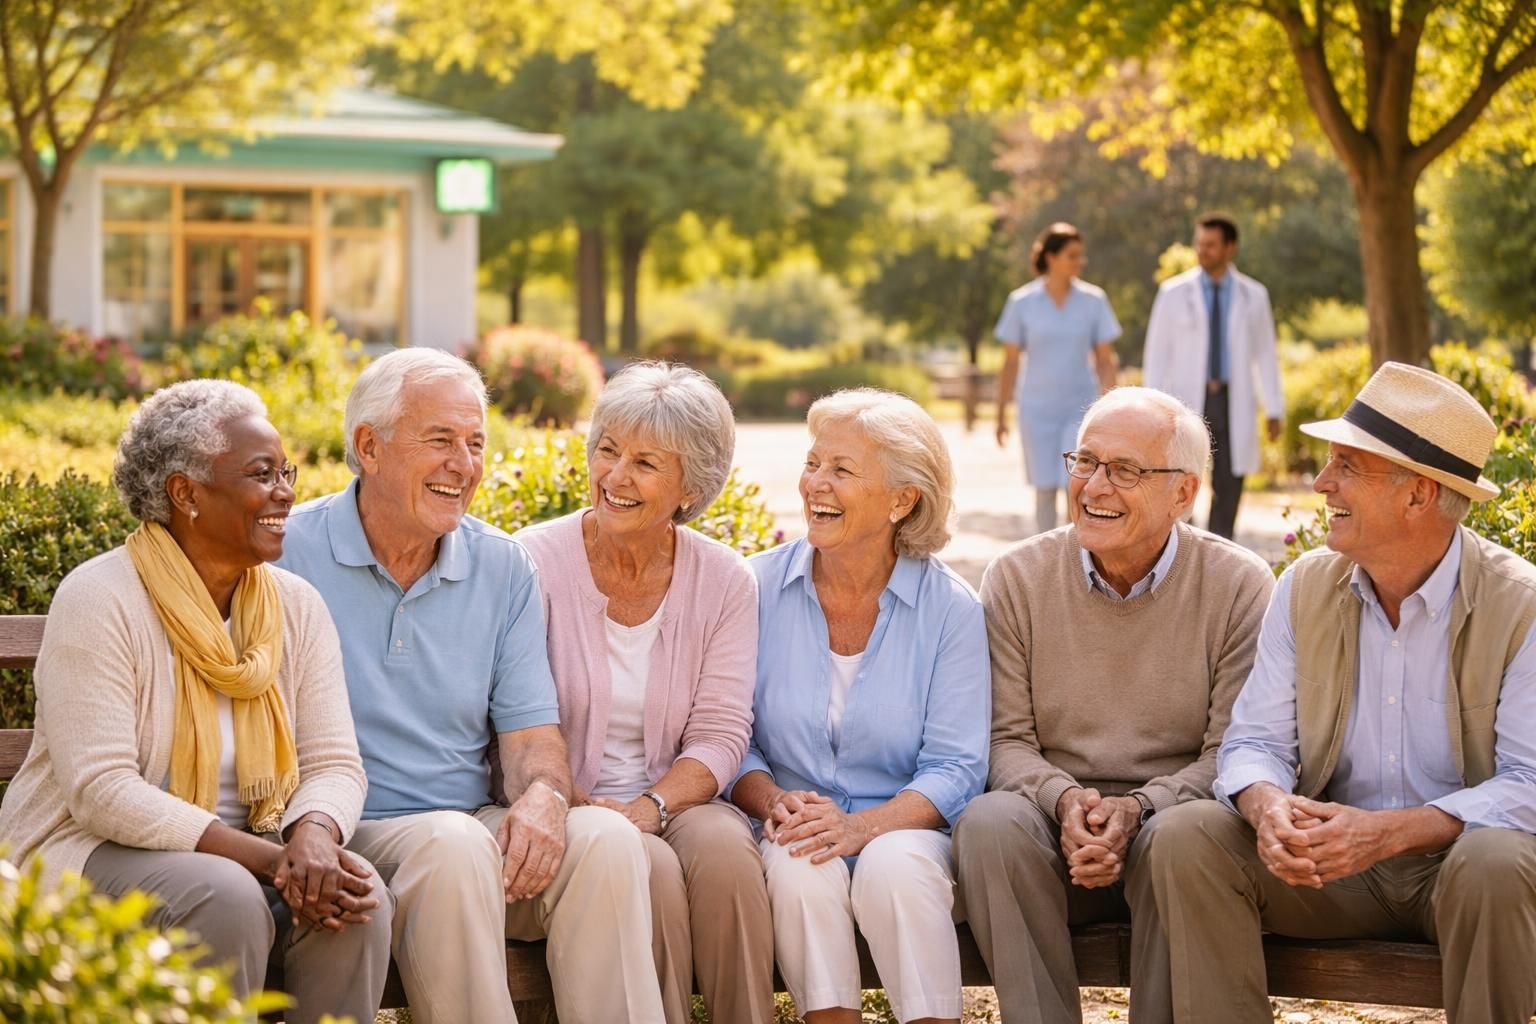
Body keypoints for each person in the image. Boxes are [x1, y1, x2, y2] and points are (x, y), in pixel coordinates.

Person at [276, 348, 664, 1024]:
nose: (465, 464)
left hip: (464, 836)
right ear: (369, 447)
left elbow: (530, 736)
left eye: (476, 443)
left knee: (605, 841)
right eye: (441, 440)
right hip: (343, 833)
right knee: (453, 847)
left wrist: (544, 796)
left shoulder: (499, 565)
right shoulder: (289, 552)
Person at [1140, 362, 1536, 1023]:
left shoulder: (1521, 605)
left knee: (1495, 863)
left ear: (1417, 495)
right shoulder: (1306, 587)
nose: (1321, 484)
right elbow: (1256, 741)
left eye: (1346, 467)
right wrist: (1267, 806)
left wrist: (1388, 834)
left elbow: (1530, 783)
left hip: (1462, 871)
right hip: (1334, 868)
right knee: (1189, 837)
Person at [0, 380, 391, 1023]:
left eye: (285, 471)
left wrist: (314, 840)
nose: (286, 492)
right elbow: (100, 789)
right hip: (87, 852)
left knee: (355, 895)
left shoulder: (295, 606)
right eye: (261, 474)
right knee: (226, 895)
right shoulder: (101, 599)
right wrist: (273, 862)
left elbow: (333, 765)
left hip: (251, 851)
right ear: (186, 494)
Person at [954, 386, 1274, 1024]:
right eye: (1085, 462)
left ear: (1183, 493)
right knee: (988, 824)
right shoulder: (1017, 577)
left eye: (1125, 470)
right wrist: (1067, 801)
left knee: (1178, 842)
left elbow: (1233, 752)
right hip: (1051, 826)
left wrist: (1139, 809)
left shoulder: (1239, 586)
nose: (1095, 486)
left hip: (1177, 827)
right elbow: (1004, 739)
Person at [515, 362, 772, 1024]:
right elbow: (514, 717)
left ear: (691, 487)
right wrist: (592, 805)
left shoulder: (724, 580)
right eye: (607, 451)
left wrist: (653, 804)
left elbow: (720, 733)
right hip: (565, 802)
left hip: (680, 795)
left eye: (645, 463)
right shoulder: (531, 562)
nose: (615, 476)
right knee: (646, 868)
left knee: (727, 856)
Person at [731, 388, 990, 1024]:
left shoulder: (951, 609)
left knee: (894, 868)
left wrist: (862, 828)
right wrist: (774, 801)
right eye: (813, 463)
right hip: (790, 820)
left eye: (842, 471)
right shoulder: (753, 587)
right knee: (799, 862)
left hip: (904, 828)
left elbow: (956, 766)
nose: (815, 484)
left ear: (903, 500)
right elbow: (731, 732)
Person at [1142, 212, 1282, 540]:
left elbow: (1266, 354)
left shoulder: (1254, 295)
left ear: (1230, 247)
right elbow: (1157, 353)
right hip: (1186, 400)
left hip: (1233, 399)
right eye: (1199, 244)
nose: (1202, 251)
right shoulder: (1173, 293)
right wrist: (1150, 407)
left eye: (1211, 245)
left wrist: (1274, 408)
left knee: (1229, 482)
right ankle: (1179, 547)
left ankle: (1220, 549)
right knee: (1180, 475)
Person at [994, 222, 1121, 534]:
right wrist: (1000, 414)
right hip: (1036, 409)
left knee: (1076, 484)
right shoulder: (1022, 302)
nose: (1080, 262)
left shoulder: (1094, 301)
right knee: (1044, 487)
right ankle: (1044, 560)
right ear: (1050, 257)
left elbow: (1105, 360)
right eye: (1072, 255)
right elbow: (1009, 363)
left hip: (1080, 409)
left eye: (1081, 256)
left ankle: (1078, 555)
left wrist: (1113, 407)